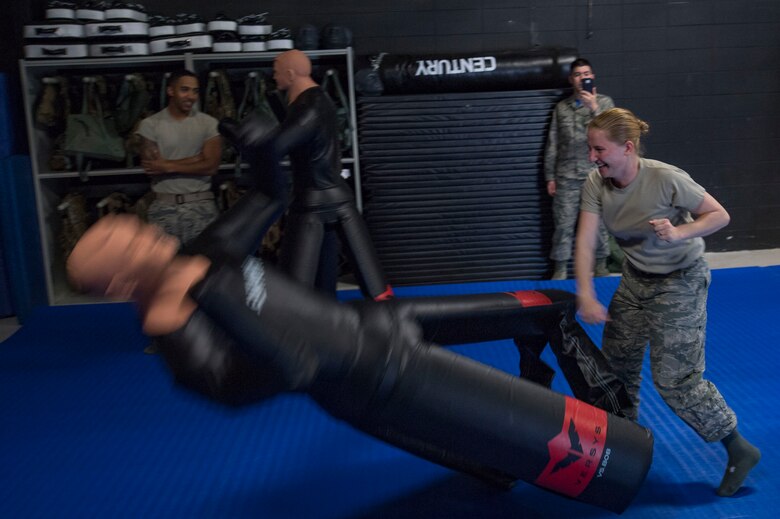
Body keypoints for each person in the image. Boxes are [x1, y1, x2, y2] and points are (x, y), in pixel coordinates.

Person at [65, 208, 653, 514]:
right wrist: (226, 304)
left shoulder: (201, 255)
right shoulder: (177, 334)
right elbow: (279, 374)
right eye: (132, 245)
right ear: (119, 284)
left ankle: (598, 395)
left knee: (542, 306)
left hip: (383, 323)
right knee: (605, 461)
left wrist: (280, 131)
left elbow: (269, 196)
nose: (148, 234)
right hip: (380, 381)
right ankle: (520, 452)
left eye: (137, 228)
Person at [575, 107, 761, 497]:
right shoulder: (597, 183)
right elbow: (585, 239)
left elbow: (719, 215)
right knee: (616, 370)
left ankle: (738, 449)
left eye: (599, 149)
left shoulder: (665, 177)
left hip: (681, 283)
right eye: (590, 149)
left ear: (627, 148)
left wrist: (680, 232)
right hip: (635, 281)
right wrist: (587, 294)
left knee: (676, 382)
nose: (593, 157)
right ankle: (623, 453)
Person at [221, 49, 393, 301]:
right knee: (324, 286)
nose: (274, 75)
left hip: (313, 202)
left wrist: (238, 134)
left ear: (291, 74)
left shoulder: (309, 107)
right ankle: (332, 327)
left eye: (277, 70)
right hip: (329, 197)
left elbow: (276, 147)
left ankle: (295, 333)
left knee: (295, 289)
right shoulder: (312, 102)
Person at [544, 58, 614, 280]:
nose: (583, 77)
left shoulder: (604, 104)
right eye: (578, 74)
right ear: (571, 79)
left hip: (598, 175)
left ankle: (602, 266)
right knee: (563, 225)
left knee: (601, 226)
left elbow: (611, 137)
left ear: (592, 77)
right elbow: (553, 143)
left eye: (587, 73)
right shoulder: (562, 108)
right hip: (567, 177)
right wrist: (550, 176)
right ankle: (561, 269)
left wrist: (594, 110)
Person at [136, 69, 223, 244]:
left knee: (202, 266)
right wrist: (197, 158)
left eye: (195, 91)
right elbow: (153, 169)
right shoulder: (150, 125)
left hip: (202, 208)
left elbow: (211, 166)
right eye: (185, 89)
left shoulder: (209, 124)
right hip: (164, 209)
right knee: (166, 268)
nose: (191, 96)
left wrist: (168, 165)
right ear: (170, 91)